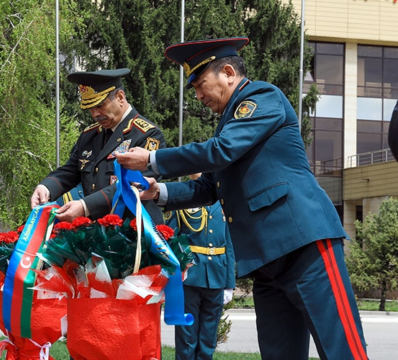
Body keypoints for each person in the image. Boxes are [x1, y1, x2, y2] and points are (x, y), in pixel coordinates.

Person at [116, 38, 368, 360]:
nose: (198, 96)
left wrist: (152, 159)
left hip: (304, 247)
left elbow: (221, 151)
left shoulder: (261, 98)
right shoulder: (230, 124)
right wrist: (158, 191)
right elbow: (208, 188)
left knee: (342, 351)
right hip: (266, 263)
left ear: (229, 73)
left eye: (200, 85)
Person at [31, 68, 167, 223]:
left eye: (100, 106)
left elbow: (133, 185)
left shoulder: (147, 135)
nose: (95, 114)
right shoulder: (90, 135)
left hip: (133, 233)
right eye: (90, 108)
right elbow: (70, 171)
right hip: (96, 233)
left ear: (120, 97)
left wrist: (85, 205)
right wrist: (46, 187)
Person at [165, 174, 235, 360]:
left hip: (217, 276)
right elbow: (171, 239)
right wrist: (176, 274)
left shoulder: (223, 203)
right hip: (191, 276)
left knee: (208, 336)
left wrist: (229, 283)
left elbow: (229, 245)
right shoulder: (183, 204)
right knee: (187, 336)